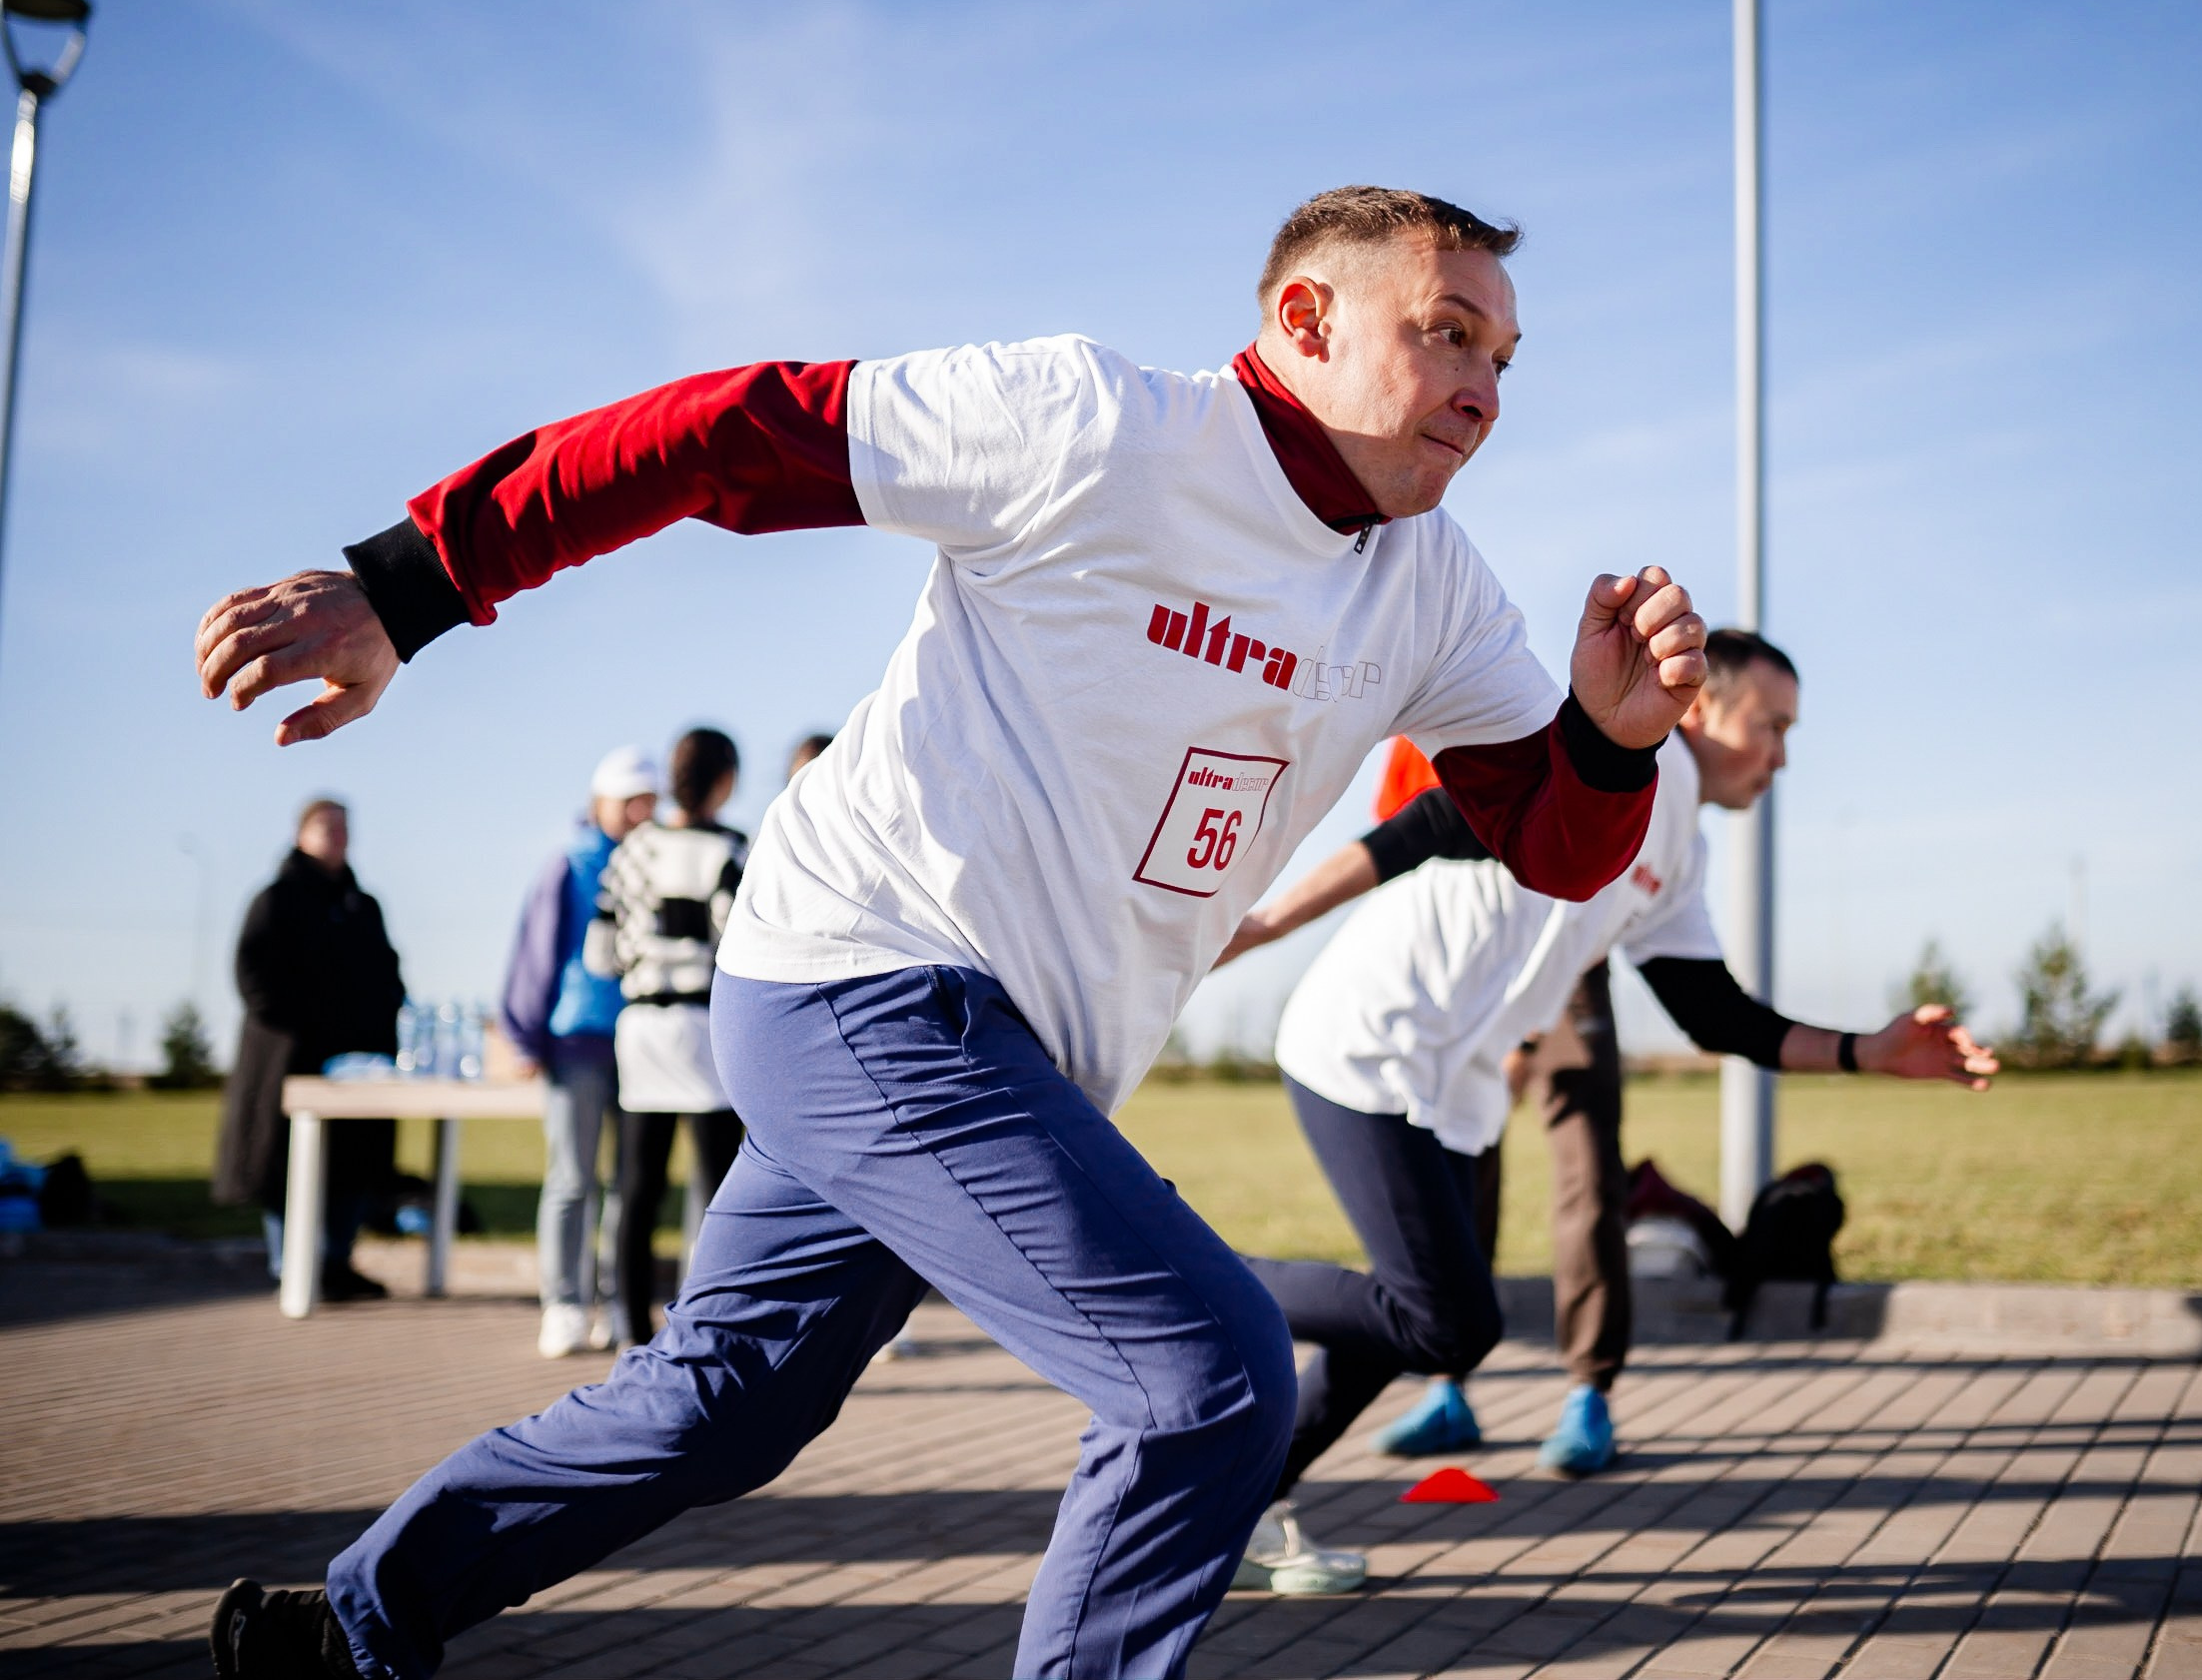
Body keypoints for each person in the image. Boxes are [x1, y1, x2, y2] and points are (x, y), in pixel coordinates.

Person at [196, 184, 1711, 1679]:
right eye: (1447, 333)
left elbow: (1558, 848)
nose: (1480, 389)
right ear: (1303, 317)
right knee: (1212, 1382)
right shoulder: (1097, 428)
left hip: (1002, 1049)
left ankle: (344, 1628)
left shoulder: (1431, 589)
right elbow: (723, 430)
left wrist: (1615, 739)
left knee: (727, 1402)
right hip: (866, 969)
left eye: (1503, 360)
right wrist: (411, 581)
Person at [1219, 630, 1995, 1587]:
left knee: (1415, 1317)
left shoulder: (1681, 849)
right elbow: (1425, 826)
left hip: (1447, 1084)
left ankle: (1239, 1504)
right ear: (1703, 706)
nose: (1783, 756)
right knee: (1448, 1320)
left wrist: (1864, 1052)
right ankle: (1200, 1274)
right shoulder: (1623, 763)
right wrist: (1261, 927)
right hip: (1365, 1042)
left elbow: (1715, 1013)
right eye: (1773, 726)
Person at [498, 746, 659, 1359]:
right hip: (577, 1040)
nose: (642, 814)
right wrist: (524, 1033)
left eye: (650, 802)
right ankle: (563, 1303)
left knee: (629, 1183)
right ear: (603, 805)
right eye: (631, 802)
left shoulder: (658, 861)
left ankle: (619, 1300)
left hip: (643, 1040)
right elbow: (536, 950)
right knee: (572, 1177)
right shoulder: (567, 864)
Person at [212, 798, 406, 1304]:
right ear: (302, 834)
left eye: (344, 829)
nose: (337, 837)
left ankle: (336, 1262)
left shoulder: (362, 905)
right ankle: (290, 1265)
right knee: (285, 1167)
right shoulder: (276, 899)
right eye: (326, 828)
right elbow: (251, 974)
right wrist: (297, 1025)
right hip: (289, 1061)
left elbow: (388, 972)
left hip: (356, 1067)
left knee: (353, 1166)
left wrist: (385, 1015)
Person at [591, 728, 748, 1348]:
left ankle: (631, 1331)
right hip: (703, 1028)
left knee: (637, 1188)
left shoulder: (631, 850)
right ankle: (712, 1331)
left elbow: (600, 954)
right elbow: (740, 942)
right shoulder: (730, 848)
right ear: (725, 780)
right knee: (719, 1192)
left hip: (640, 1030)